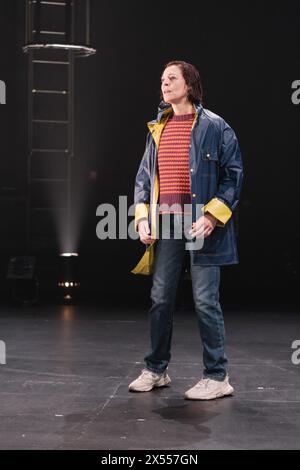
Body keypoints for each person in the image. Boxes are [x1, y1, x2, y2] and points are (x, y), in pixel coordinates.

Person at [129, 60, 243, 400]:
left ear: (190, 84)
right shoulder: (157, 128)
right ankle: (156, 369)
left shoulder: (215, 126)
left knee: (205, 300)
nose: (164, 84)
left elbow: (233, 176)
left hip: (201, 223)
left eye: (172, 78)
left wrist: (212, 216)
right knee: (160, 298)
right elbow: (144, 180)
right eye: (162, 79)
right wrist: (142, 217)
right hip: (166, 223)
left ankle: (217, 375)